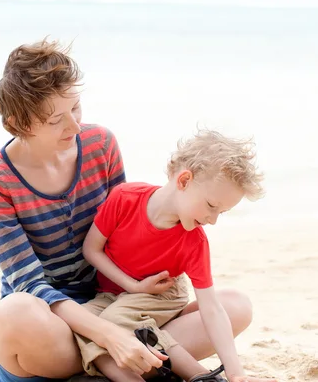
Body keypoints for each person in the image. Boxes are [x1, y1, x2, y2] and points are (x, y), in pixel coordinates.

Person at [0, 38, 257, 382]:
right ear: (18, 122)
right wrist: (110, 335)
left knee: (235, 306)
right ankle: (111, 360)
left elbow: (122, 233)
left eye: (76, 109)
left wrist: (140, 294)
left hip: (115, 303)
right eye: (56, 120)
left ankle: (107, 367)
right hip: (53, 327)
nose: (75, 127)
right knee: (15, 311)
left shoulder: (100, 144)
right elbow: (29, 283)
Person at [76, 130, 276, 382]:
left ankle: (201, 376)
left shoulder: (194, 240)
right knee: (82, 324)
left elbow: (211, 307)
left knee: (114, 321)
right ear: (183, 181)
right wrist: (133, 286)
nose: (212, 220)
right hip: (114, 296)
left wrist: (237, 373)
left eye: (221, 213)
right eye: (211, 206)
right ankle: (191, 375)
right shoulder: (124, 199)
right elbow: (91, 249)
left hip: (162, 294)